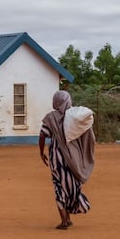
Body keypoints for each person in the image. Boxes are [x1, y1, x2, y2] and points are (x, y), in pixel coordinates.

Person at [39, 90, 95, 230]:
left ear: (55, 101)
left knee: (59, 187)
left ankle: (64, 221)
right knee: (72, 185)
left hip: (57, 159)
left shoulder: (50, 118)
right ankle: (69, 216)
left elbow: (42, 136)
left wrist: (41, 152)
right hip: (73, 158)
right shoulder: (75, 117)